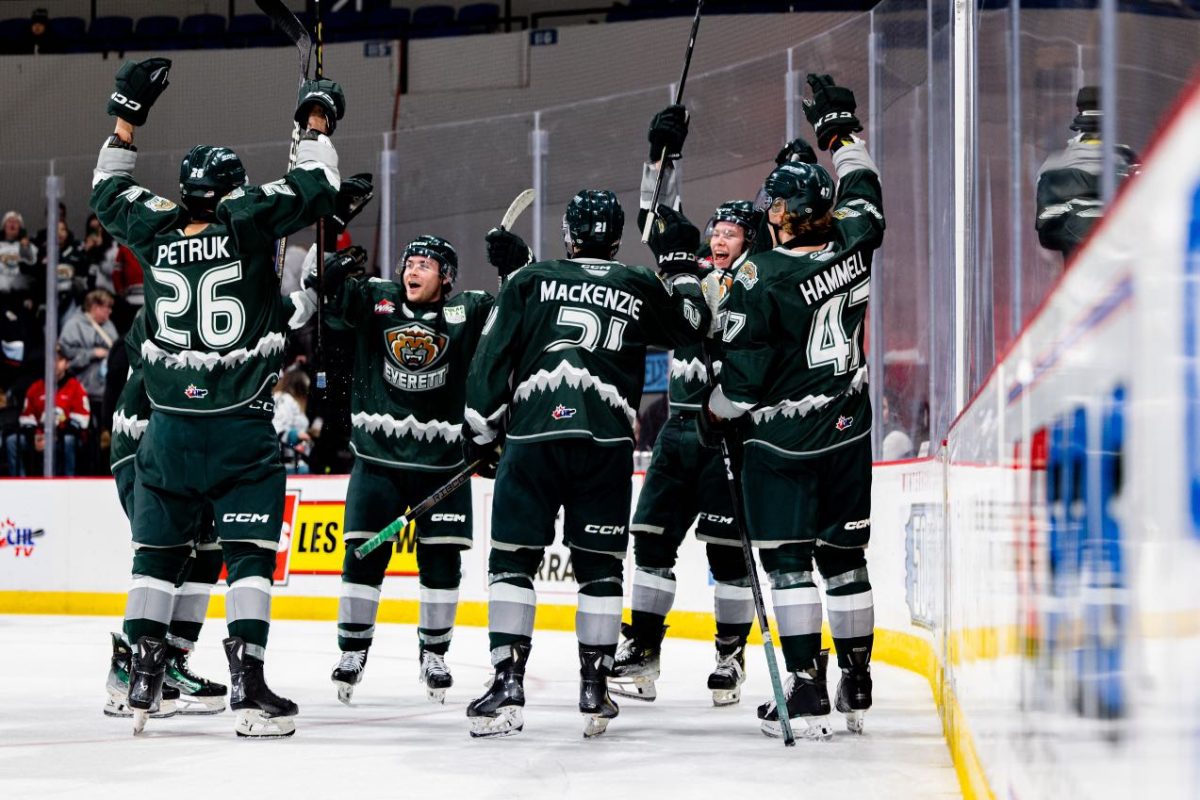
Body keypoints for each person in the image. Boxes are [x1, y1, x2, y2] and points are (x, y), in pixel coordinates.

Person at [90, 55, 346, 737]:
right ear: (230, 188)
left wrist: (127, 118)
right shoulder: (246, 221)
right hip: (237, 428)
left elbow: (105, 194)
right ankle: (249, 686)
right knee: (250, 557)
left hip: (168, 430)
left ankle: (143, 676)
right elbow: (319, 182)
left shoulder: (157, 227)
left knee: (156, 556)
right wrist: (314, 116)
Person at [461, 188, 711, 739]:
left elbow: (490, 361)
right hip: (605, 443)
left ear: (569, 234)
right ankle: (595, 688)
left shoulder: (530, 281)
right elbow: (692, 327)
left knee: (512, 562)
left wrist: (480, 431)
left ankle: (507, 686)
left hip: (534, 438)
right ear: (618, 238)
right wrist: (679, 266)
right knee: (599, 567)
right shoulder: (639, 283)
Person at [703, 74, 883, 739]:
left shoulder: (761, 278)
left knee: (788, 562)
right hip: (849, 425)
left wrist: (712, 415)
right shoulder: (856, 238)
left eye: (774, 202)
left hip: (783, 443)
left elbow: (742, 388)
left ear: (782, 214)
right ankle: (857, 678)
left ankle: (807, 684)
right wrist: (839, 130)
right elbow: (864, 184)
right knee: (845, 559)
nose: (768, 210)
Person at [611, 104, 759, 707]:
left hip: (731, 436)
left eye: (731, 232)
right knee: (649, 542)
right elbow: (656, 222)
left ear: (753, 241)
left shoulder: (762, 281)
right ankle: (643, 650)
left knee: (727, 555)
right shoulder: (691, 270)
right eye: (715, 231)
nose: (718, 239)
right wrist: (660, 157)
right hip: (677, 435)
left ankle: (730, 653)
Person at [323, 231, 496, 706]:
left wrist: (513, 270)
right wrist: (331, 271)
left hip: (443, 464)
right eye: (409, 263)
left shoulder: (468, 311)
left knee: (442, 562)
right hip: (377, 459)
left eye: (425, 265)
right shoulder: (376, 300)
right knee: (363, 555)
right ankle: (352, 651)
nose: (412, 271)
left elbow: (511, 330)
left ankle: (434, 654)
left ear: (447, 277)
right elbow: (328, 303)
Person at [1036, 86, 1139, 261]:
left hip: (1079, 270)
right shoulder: (1131, 164)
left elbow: (1047, 237)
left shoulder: (1053, 166)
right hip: (1118, 267)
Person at [6, 346, 88, 476]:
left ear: (66, 364)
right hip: (38, 437)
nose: (55, 364)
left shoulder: (76, 388)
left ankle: (69, 482)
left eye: (59, 360)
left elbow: (81, 420)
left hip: (63, 437)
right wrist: (34, 436)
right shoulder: (35, 388)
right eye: (51, 360)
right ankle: (19, 483)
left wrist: (54, 437)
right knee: (12, 441)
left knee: (69, 440)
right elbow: (26, 418)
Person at [59, 289, 117, 419]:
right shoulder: (74, 325)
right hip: (84, 384)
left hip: (107, 384)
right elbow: (67, 356)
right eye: (106, 307)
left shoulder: (109, 325)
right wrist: (92, 353)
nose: (110, 311)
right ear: (95, 307)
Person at [0, 210, 37, 382]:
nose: (12, 224)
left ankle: (14, 377)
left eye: (16, 222)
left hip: (18, 299)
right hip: (1, 297)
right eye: (9, 221)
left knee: (18, 337)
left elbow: (33, 269)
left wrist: (24, 247)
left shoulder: (28, 246)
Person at [272, 368, 313, 474]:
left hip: (295, 460)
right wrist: (296, 436)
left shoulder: (283, 398)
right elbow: (277, 429)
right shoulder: (285, 399)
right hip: (290, 464)